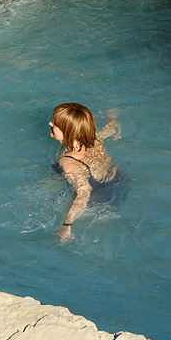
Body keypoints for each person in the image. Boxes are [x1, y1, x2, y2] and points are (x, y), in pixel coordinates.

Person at [49, 102, 119, 241]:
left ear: (68, 132)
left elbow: (84, 191)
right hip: (116, 183)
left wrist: (66, 225)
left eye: (55, 124)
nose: (50, 123)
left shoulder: (67, 162)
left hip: (98, 200)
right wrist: (112, 118)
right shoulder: (94, 138)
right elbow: (112, 130)